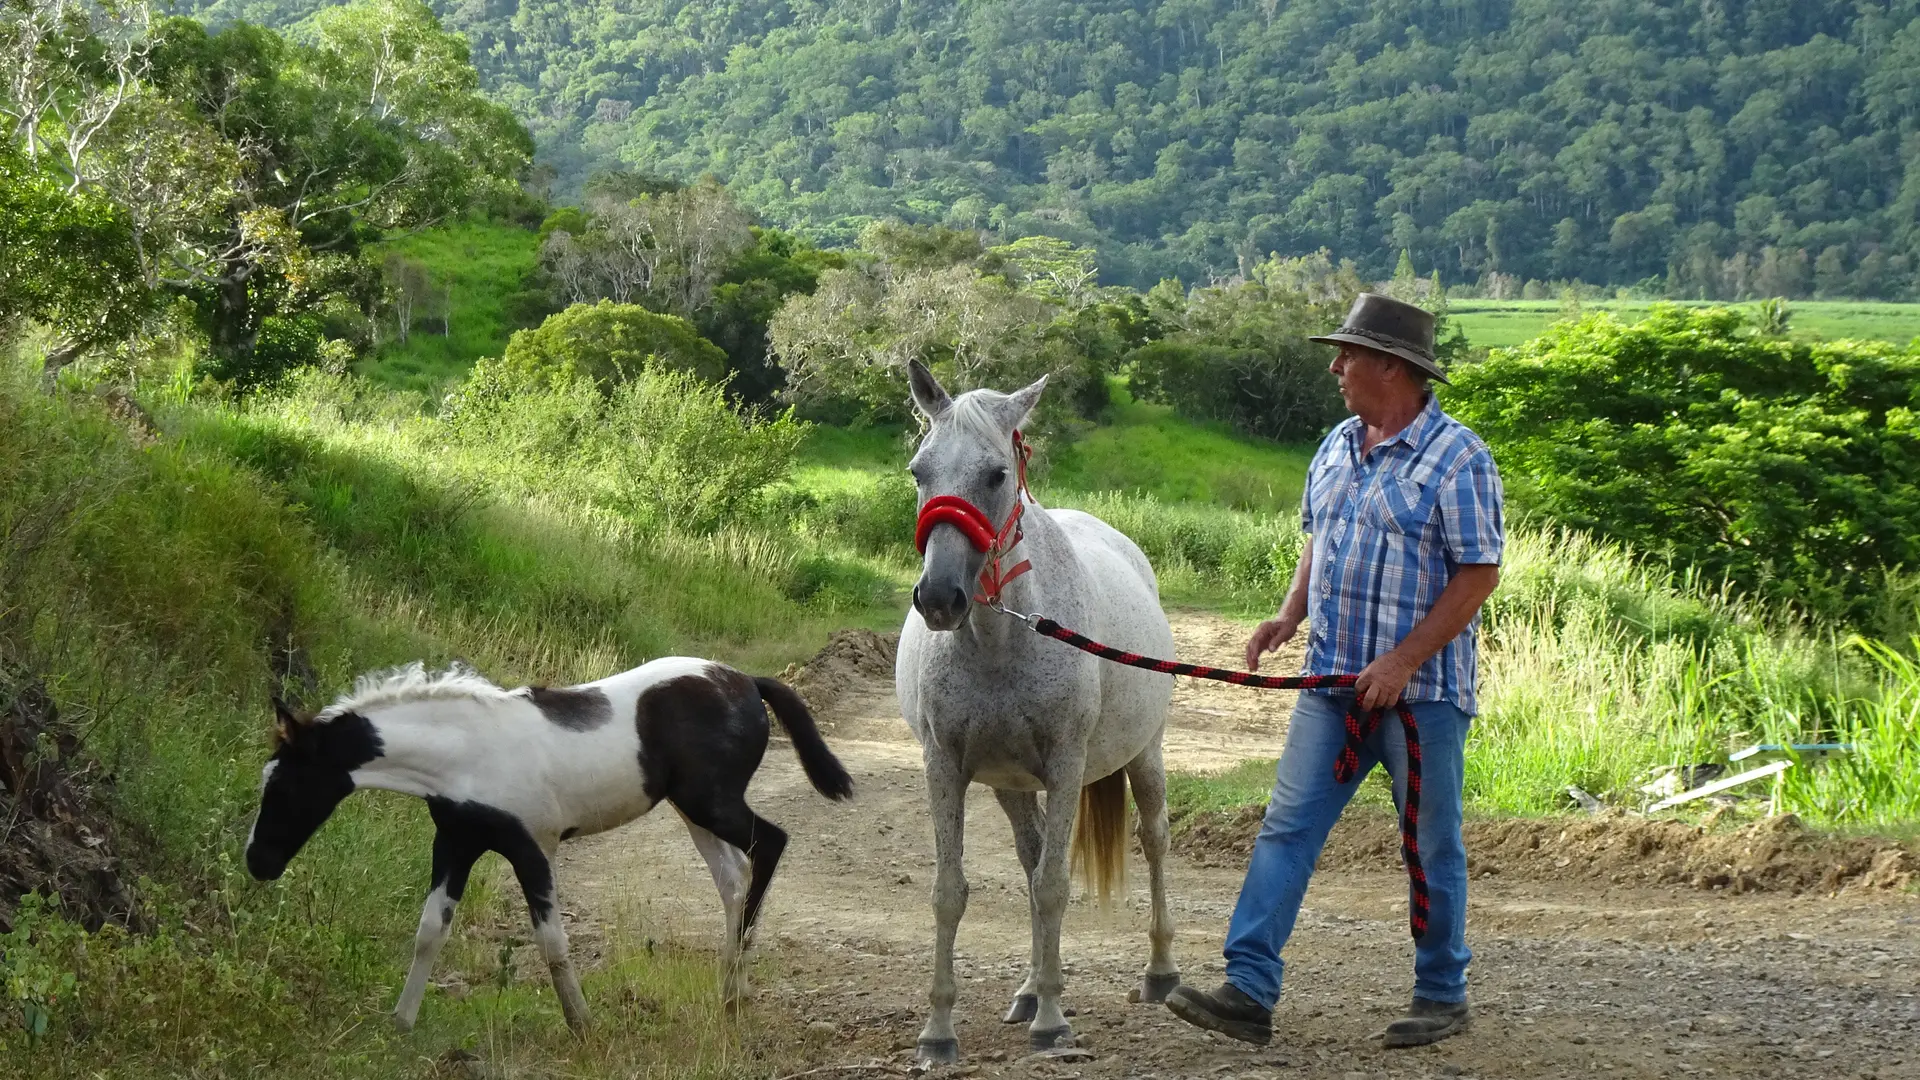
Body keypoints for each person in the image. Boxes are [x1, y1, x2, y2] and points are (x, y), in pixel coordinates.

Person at [1164, 293, 1504, 1049]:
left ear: (1393, 366)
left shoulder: (1459, 459)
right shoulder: (1336, 446)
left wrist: (1402, 659)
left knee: (1430, 844)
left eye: (1347, 354)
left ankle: (1443, 994)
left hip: (1422, 700)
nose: (1335, 366)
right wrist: (1290, 613)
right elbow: (1318, 538)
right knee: (1286, 830)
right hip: (1330, 689)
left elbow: (1479, 575)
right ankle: (1248, 991)